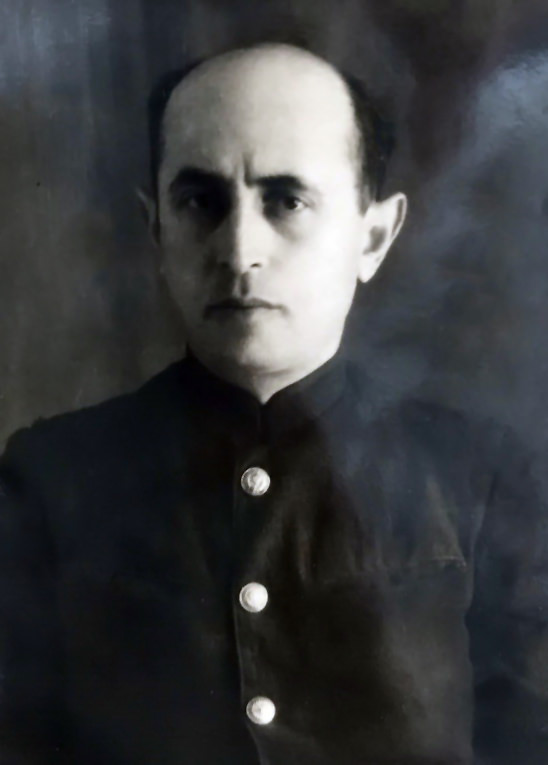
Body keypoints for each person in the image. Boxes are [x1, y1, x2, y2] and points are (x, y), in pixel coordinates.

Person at [0, 42, 546, 765]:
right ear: (156, 229)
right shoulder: (50, 480)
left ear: (373, 236)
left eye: (286, 201)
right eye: (200, 203)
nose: (239, 251)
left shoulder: (480, 479)